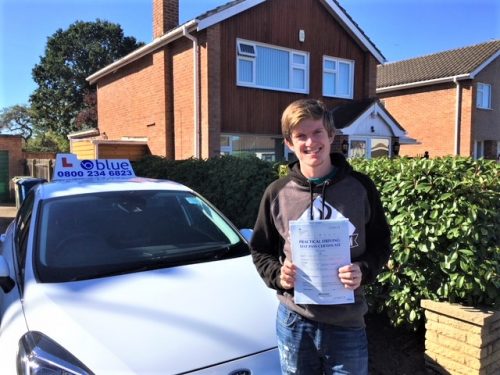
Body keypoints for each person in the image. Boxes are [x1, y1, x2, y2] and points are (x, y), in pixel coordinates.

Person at [249, 99, 391, 374]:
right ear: (289, 143)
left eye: (317, 133)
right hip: (295, 321)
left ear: (331, 136)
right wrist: (278, 275)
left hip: (347, 323)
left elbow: (381, 242)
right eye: (301, 135)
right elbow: (261, 249)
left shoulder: (360, 187)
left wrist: (364, 269)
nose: (310, 142)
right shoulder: (277, 192)